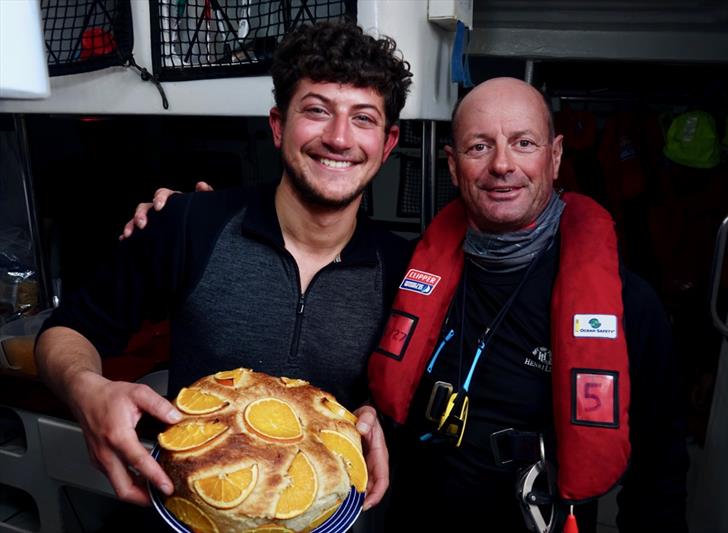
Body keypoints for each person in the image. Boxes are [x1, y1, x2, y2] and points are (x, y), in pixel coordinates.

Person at [34, 20, 413, 514]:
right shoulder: (191, 224)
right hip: (195, 510)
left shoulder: (404, 268)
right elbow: (65, 332)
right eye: (317, 110)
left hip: (324, 518)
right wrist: (88, 388)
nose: (339, 138)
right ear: (278, 126)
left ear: (387, 144)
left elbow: (393, 400)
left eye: (363, 118)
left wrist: (374, 417)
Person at [367, 78, 688, 532]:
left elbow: (660, 473)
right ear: (453, 165)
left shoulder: (628, 305)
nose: (502, 165)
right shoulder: (405, 273)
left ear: (554, 157)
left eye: (523, 143)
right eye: (479, 147)